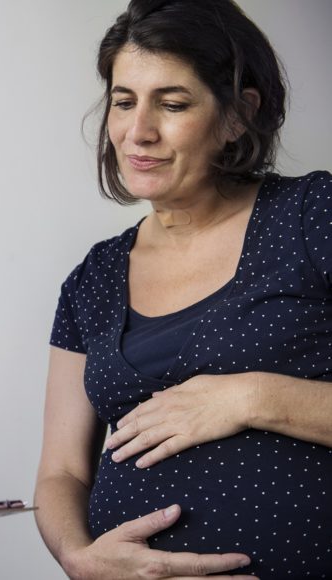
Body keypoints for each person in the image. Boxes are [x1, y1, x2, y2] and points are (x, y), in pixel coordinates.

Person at [34, 0, 332, 577]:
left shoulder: (312, 216)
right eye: (123, 102)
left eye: (172, 104)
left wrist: (251, 398)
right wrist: (79, 558)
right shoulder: (92, 279)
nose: (138, 132)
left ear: (237, 115)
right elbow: (61, 473)